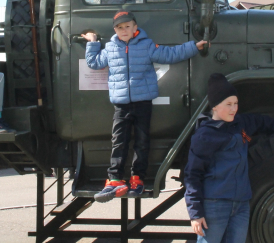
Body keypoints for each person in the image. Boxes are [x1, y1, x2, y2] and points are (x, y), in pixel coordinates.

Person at [84, 10, 207, 201]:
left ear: (135, 27)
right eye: (119, 27)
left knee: (142, 142)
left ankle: (137, 178)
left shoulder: (146, 45)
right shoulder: (110, 48)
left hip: (143, 103)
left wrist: (194, 47)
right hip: (121, 105)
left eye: (127, 26)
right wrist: (92, 42)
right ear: (115, 30)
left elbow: (170, 54)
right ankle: (115, 179)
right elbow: (93, 62)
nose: (123, 30)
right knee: (119, 142)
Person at [184, 73, 274, 243]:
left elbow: (263, 121)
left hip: (241, 205)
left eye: (236, 103)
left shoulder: (240, 124)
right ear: (215, 106)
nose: (234, 109)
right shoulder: (204, 136)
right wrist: (195, 213)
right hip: (215, 205)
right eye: (229, 104)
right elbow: (192, 175)